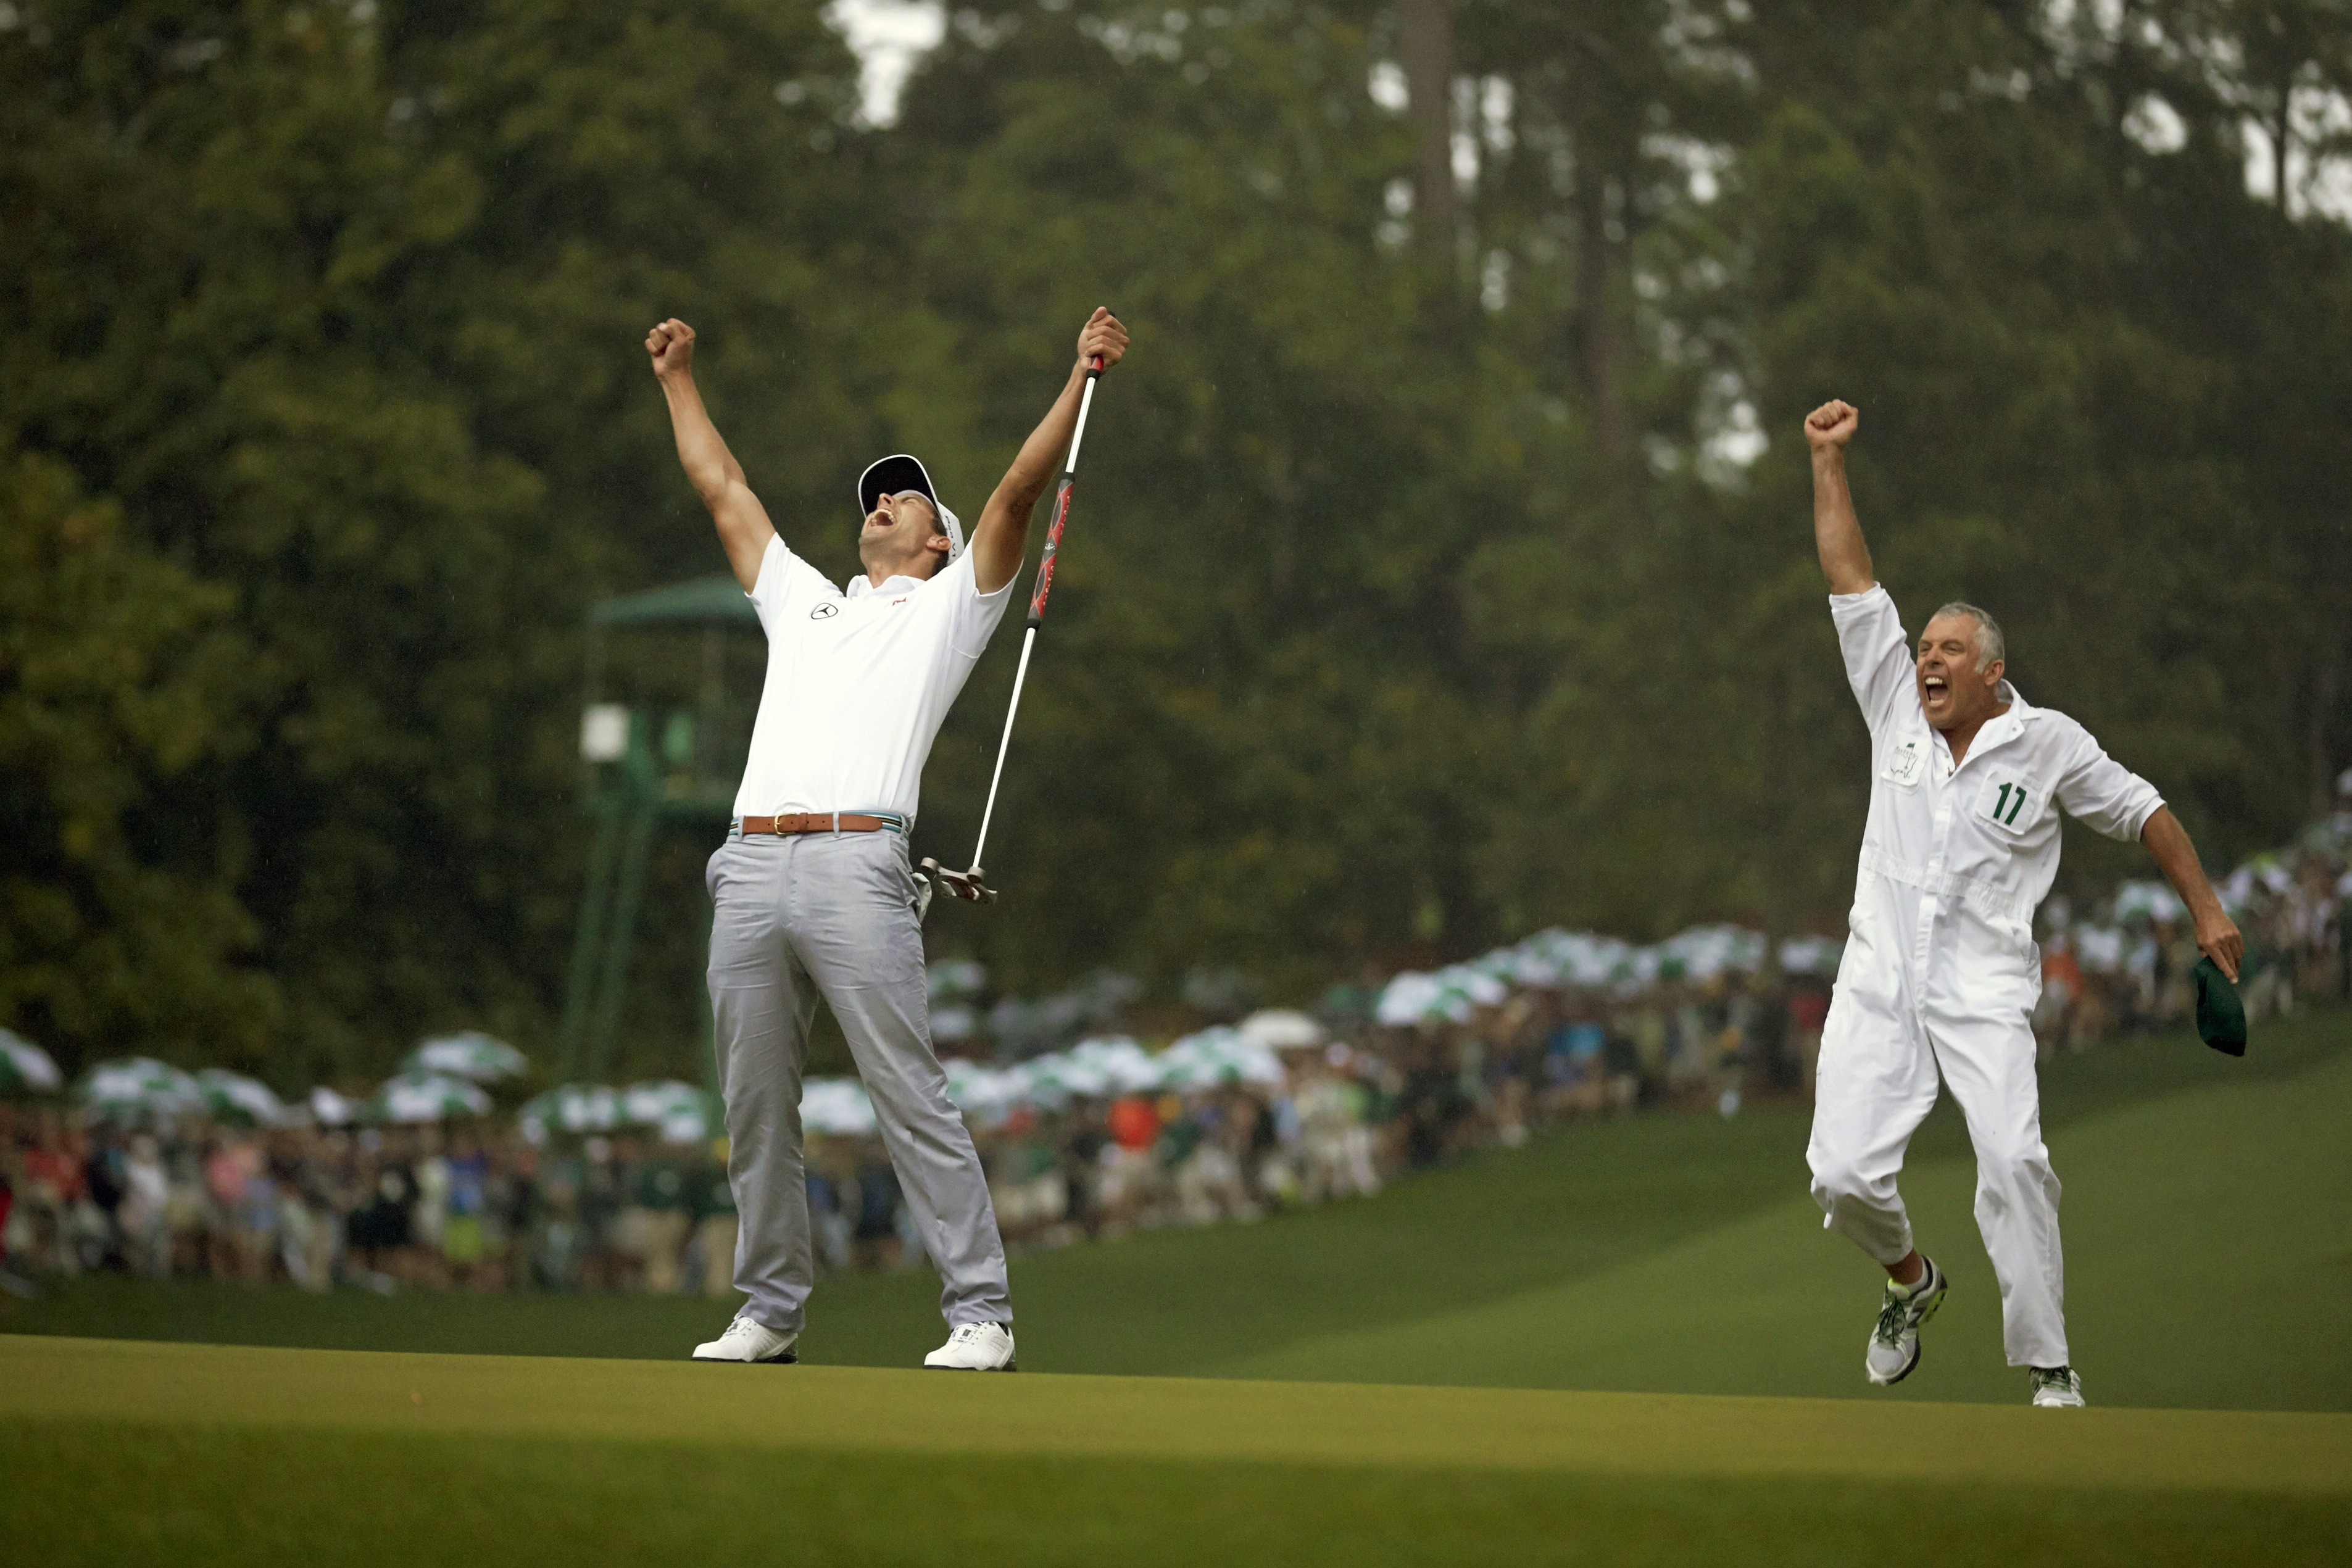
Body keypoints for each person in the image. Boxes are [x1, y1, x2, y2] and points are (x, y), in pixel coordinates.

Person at [648, 305, 1129, 1370]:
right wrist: (680, 380)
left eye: (903, 496)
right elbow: (723, 487)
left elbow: (1018, 492)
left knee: (907, 1088)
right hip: (750, 862)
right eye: (874, 496)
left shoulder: (955, 604)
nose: (883, 504)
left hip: (859, 861)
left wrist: (1074, 373)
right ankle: (769, 1308)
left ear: (939, 539)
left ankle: (982, 1313)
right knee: (755, 1103)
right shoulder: (805, 602)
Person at [1799, 397, 2244, 1408]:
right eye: (1926, 650)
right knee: (1840, 1176)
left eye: (1949, 652)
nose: (1928, 661)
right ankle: (1910, 1281)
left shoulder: (2047, 743)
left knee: (2013, 1161)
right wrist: (1826, 460)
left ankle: (2050, 1368)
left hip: (1983, 989)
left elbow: (2144, 811)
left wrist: (2207, 908)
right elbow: (1850, 578)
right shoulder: (1893, 705)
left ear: (1994, 673)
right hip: (1879, 976)